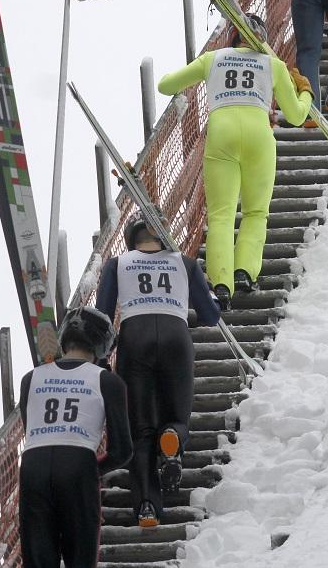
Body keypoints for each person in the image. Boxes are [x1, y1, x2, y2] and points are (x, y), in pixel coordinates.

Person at [157, 17, 313, 301]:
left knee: (221, 215)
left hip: (221, 136)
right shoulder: (273, 66)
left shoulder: (213, 59)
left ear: (232, 37)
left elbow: (165, 86)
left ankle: (221, 284)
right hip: (259, 139)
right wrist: (305, 92)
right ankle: (245, 271)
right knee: (255, 213)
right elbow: (296, 116)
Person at [95, 212, 221, 528]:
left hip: (134, 339)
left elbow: (102, 318)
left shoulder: (117, 264)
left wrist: (100, 358)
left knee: (140, 430)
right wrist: (214, 299)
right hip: (175, 337)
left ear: (130, 237)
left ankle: (147, 506)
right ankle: (172, 438)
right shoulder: (185, 262)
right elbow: (208, 315)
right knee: (177, 416)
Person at [18, 306, 132, 568]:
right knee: (80, 558)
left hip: (33, 465)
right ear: (102, 346)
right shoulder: (107, 381)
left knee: (37, 559)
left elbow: (29, 428)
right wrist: (94, 468)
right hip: (78, 462)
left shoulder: (30, 379)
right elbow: (122, 451)